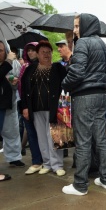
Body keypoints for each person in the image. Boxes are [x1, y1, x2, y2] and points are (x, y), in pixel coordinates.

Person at [62, 14, 106, 196]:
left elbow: (77, 73)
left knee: (83, 141)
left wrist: (64, 84)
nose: (75, 29)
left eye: (77, 26)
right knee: (100, 139)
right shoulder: (102, 45)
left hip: (84, 97)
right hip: (100, 96)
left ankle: (80, 185)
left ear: (86, 25)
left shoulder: (83, 43)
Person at [21, 40, 66, 176]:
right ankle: (46, 163)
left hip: (54, 108)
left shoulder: (58, 68)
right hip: (36, 108)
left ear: (52, 54)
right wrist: (25, 107)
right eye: (43, 52)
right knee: (41, 137)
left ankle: (57, 165)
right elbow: (24, 90)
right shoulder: (30, 70)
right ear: (38, 54)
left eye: (48, 52)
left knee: (54, 136)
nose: (46, 54)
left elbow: (66, 86)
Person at [18, 42, 44, 175]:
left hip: (42, 107)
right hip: (28, 106)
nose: (30, 52)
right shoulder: (25, 67)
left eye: (33, 50)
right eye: (28, 50)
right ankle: (36, 161)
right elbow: (23, 89)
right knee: (32, 134)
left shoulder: (44, 66)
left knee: (44, 134)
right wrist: (25, 107)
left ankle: (46, 160)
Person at [0, 38, 24, 168]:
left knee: (12, 131)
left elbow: (19, 79)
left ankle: (14, 157)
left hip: (9, 101)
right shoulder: (9, 62)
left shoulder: (14, 64)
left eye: (1, 51)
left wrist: (15, 82)